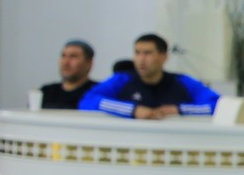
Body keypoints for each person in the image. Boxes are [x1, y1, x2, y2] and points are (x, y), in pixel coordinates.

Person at [79, 34, 219, 118]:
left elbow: (218, 105)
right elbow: (87, 101)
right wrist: (133, 110)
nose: (141, 59)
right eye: (137, 53)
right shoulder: (122, 80)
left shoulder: (182, 82)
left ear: (164, 57)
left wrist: (179, 110)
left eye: (148, 53)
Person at [39, 39, 98, 109]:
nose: (65, 63)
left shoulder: (97, 93)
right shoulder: (45, 92)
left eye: (73, 57)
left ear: (89, 63)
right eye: (63, 56)